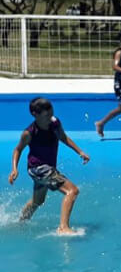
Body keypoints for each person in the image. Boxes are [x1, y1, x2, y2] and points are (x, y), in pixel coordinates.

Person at [8, 97, 90, 233]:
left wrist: (80, 151)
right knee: (72, 191)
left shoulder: (55, 123)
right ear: (35, 114)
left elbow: (63, 137)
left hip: (45, 169)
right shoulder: (29, 133)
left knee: (38, 201)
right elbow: (17, 150)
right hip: (38, 168)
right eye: (47, 115)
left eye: (51, 113)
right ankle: (63, 228)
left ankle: (20, 222)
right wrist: (14, 169)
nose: (50, 117)